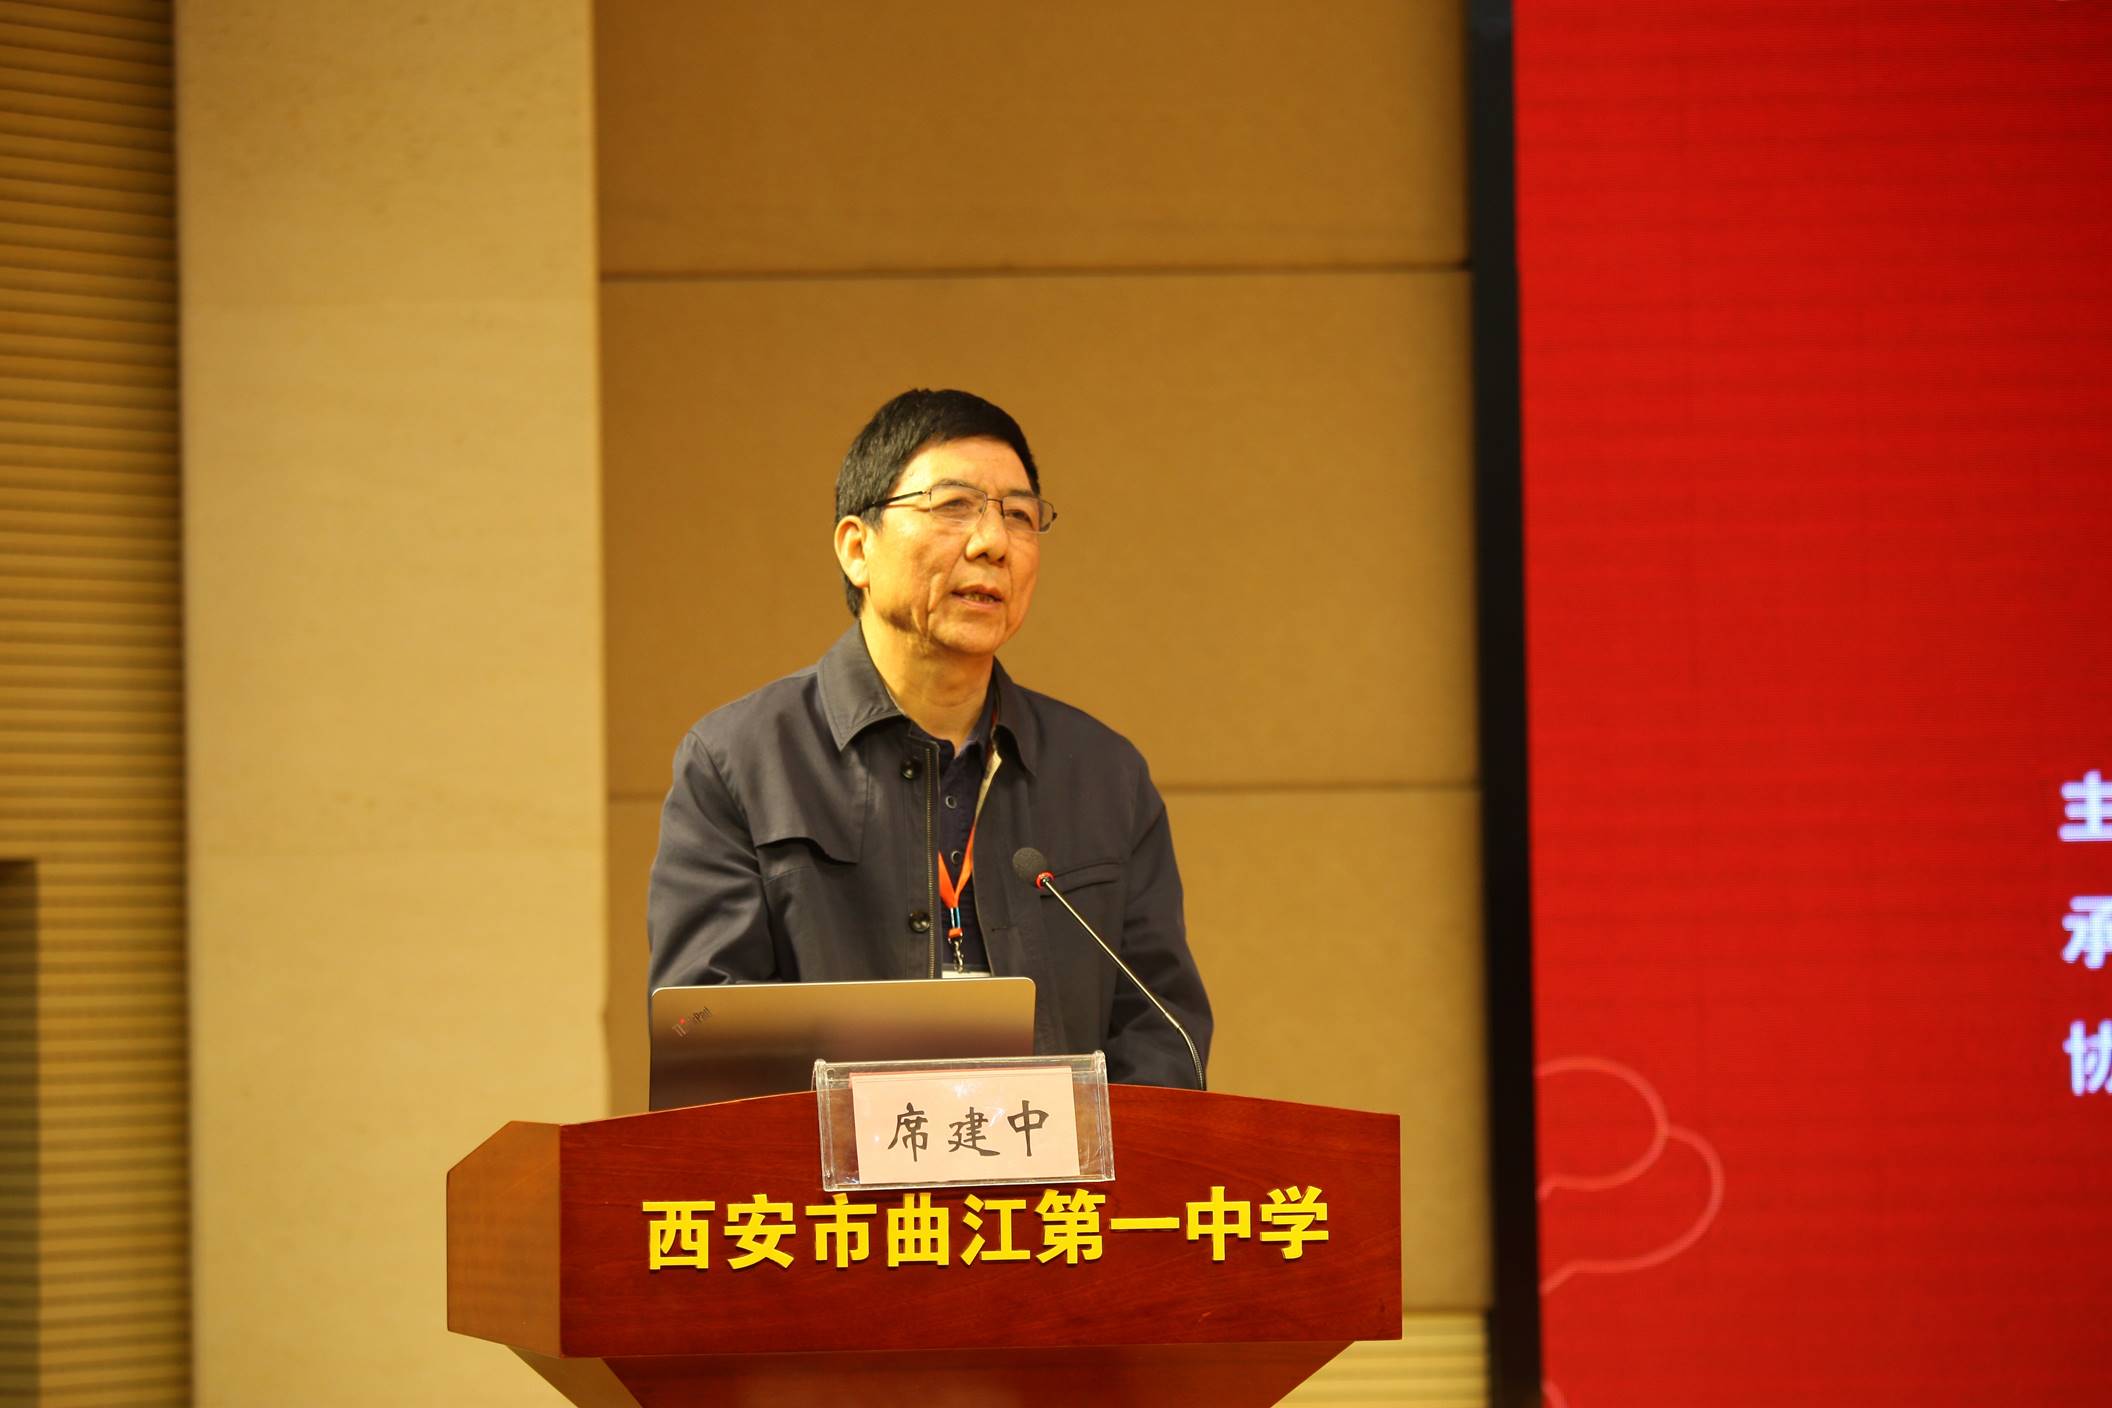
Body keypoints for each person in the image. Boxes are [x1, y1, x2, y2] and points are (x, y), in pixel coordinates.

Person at [646, 388, 1211, 1088]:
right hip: (832, 1164)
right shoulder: (741, 763)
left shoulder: (1104, 775)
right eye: (953, 506)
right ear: (857, 548)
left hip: (1049, 1162)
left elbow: (1164, 1033)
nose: (993, 543)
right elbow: (706, 1042)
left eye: (1019, 515)